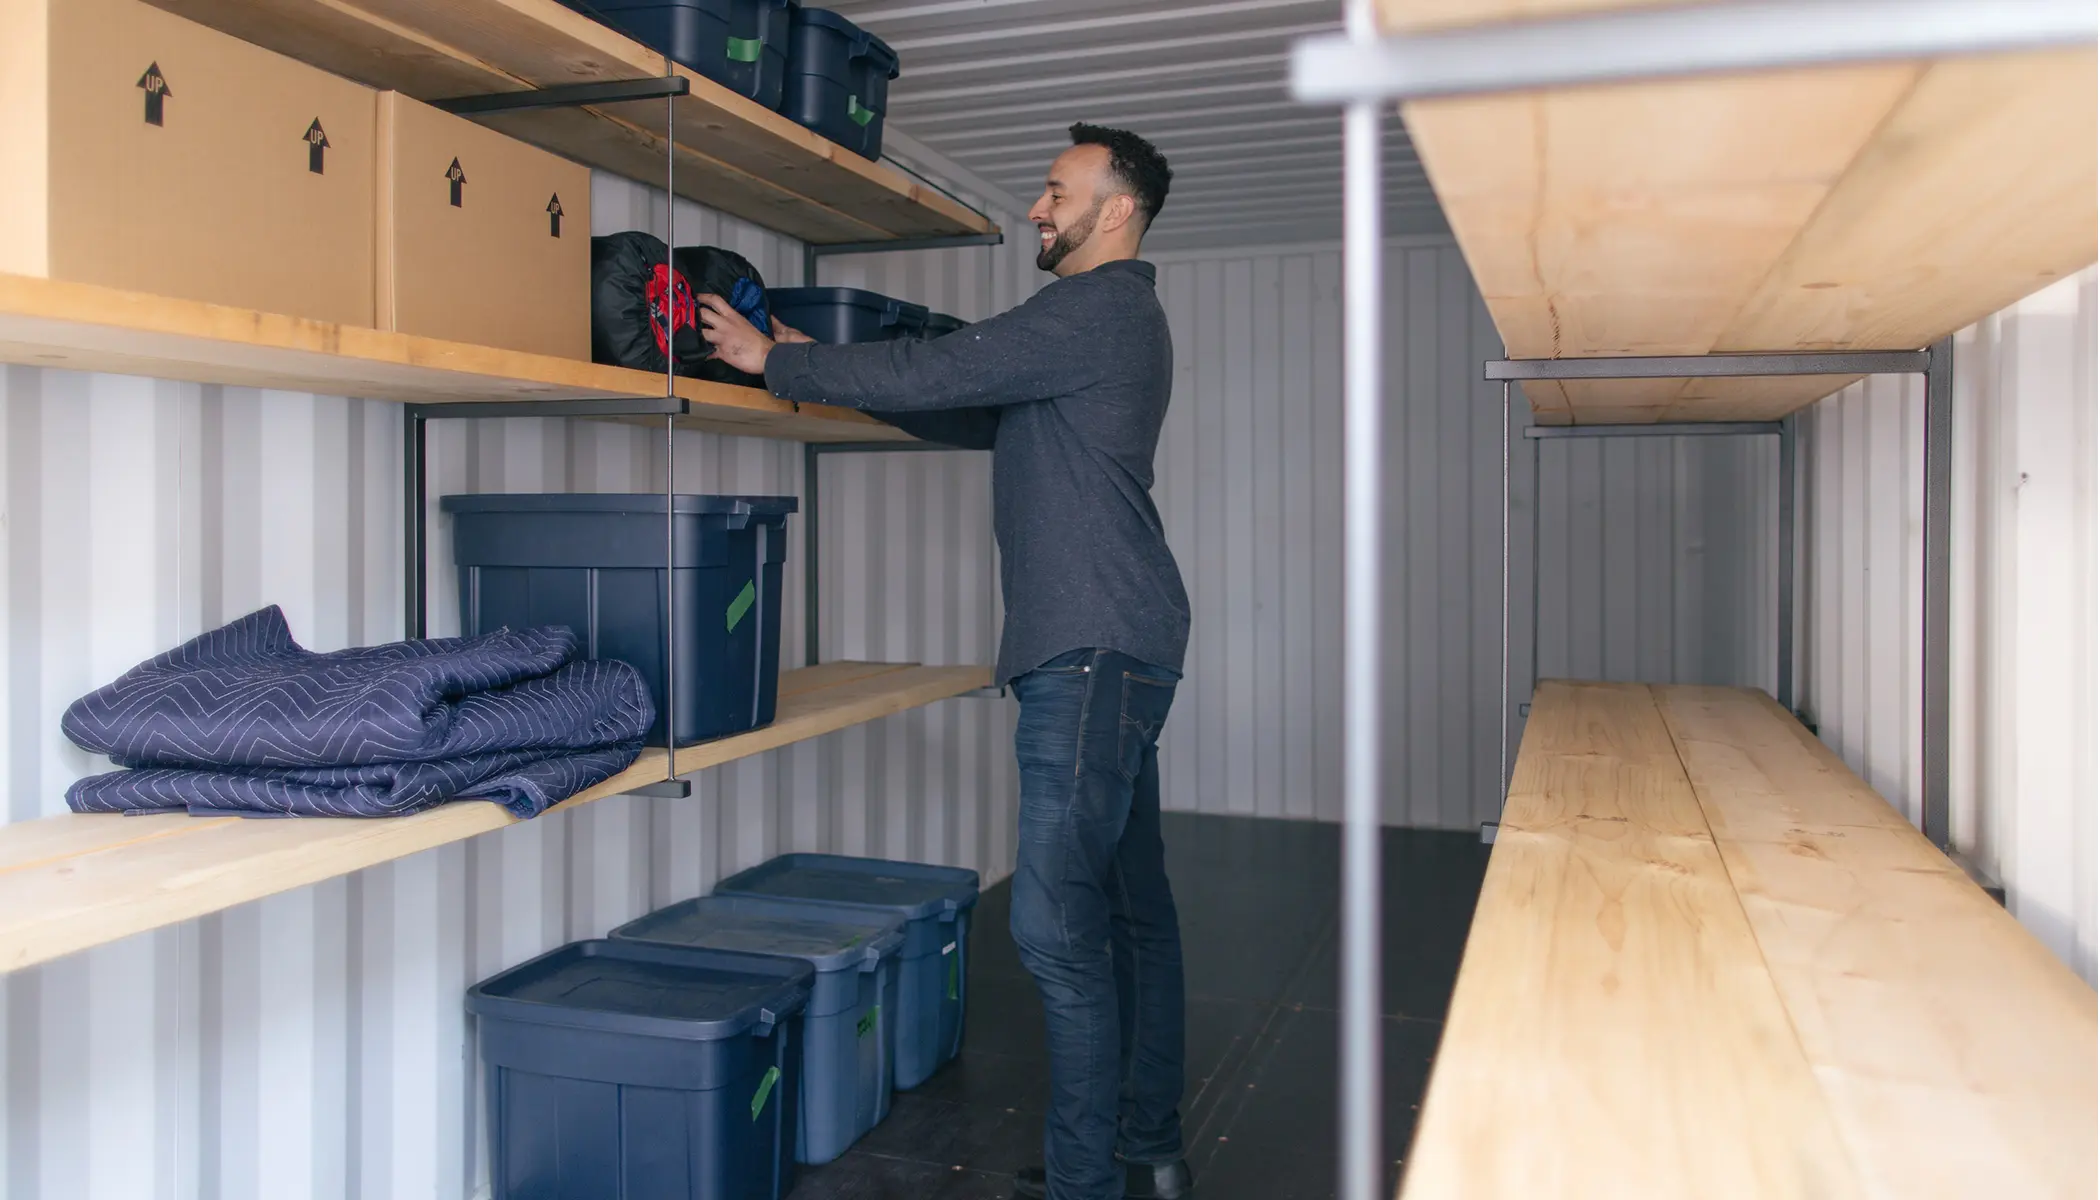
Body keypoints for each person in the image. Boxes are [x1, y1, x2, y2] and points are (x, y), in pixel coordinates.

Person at [698, 123, 1194, 1200]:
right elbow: (963, 405)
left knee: (1056, 927)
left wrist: (776, 360)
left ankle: (1084, 1183)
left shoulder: (1095, 307)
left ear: (1116, 211)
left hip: (1092, 650)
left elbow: (948, 364)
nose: (1037, 208)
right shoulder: (1112, 324)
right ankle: (1145, 1148)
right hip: (1124, 644)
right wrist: (811, 375)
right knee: (1126, 912)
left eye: (1056, 191)